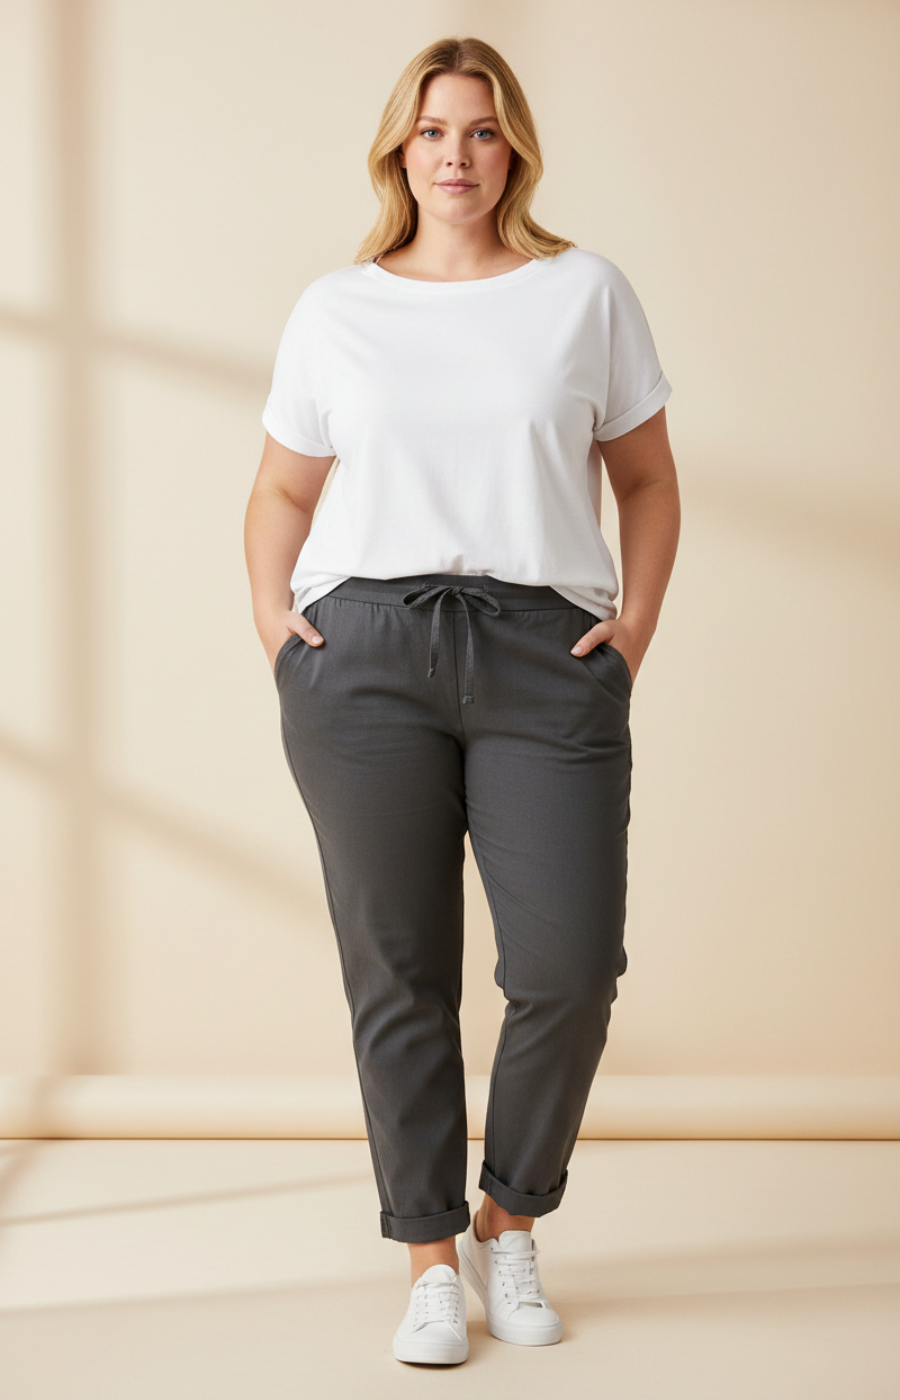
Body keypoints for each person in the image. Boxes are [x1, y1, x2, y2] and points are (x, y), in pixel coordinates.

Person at [244, 35, 680, 1366]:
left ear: (516, 151)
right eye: (432, 131)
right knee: (400, 968)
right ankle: (430, 1255)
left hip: (544, 650)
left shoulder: (582, 293)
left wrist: (635, 626)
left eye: (482, 132)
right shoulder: (337, 308)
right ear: (398, 150)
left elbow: (649, 482)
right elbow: (281, 491)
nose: (456, 154)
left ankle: (509, 1218)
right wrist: (280, 631)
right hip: (364, 653)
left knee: (567, 967)